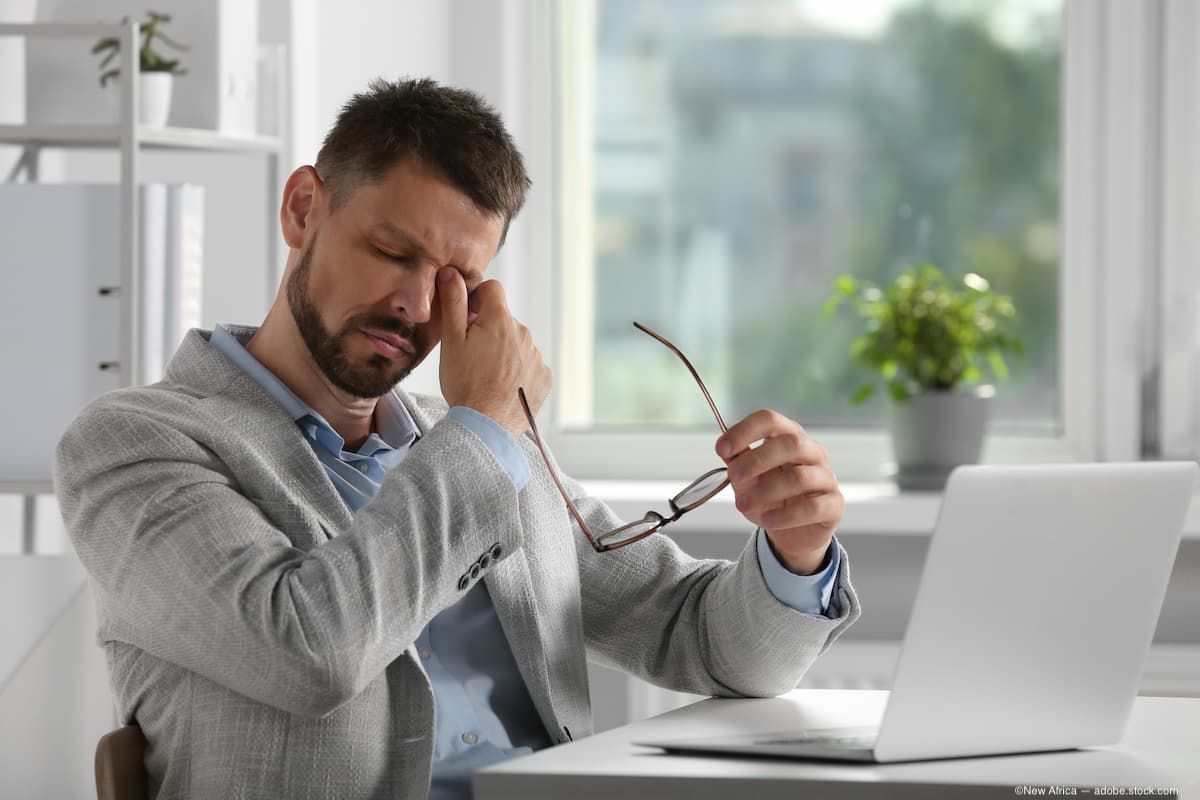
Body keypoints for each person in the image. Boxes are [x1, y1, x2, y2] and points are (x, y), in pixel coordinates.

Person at [54, 77, 860, 800]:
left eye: (455, 282)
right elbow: (306, 654)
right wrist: (480, 432)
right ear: (304, 208)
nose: (415, 304)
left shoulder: (478, 443)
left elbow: (710, 643)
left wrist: (796, 553)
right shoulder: (134, 444)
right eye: (392, 252)